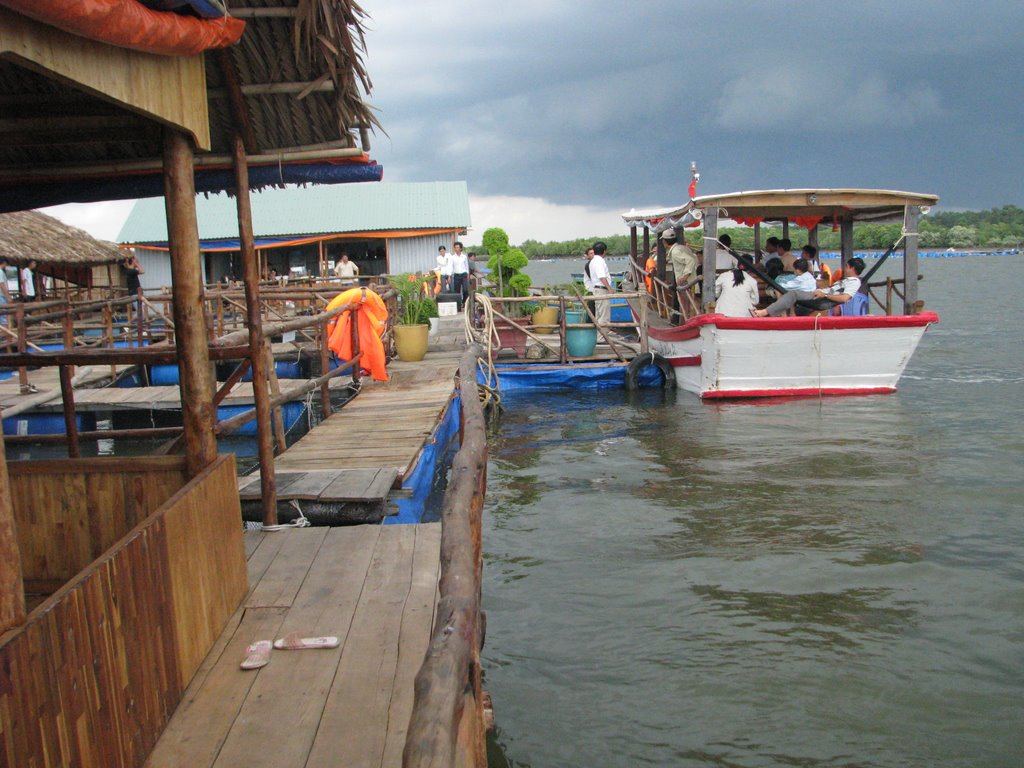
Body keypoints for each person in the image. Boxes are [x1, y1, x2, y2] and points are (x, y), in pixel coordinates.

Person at [752, 257, 862, 317]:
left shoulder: (854, 282)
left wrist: (825, 294)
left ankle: (764, 312)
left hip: (821, 300)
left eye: (847, 266)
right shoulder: (847, 280)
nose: (845, 268)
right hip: (818, 294)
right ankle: (777, 313)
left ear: (852, 268)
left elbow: (844, 298)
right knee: (790, 293)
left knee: (792, 293)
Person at [587, 242, 613, 327]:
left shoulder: (593, 261)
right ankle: (602, 338)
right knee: (604, 316)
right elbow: (602, 277)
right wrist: (609, 288)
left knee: (599, 315)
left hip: (597, 289)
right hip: (601, 289)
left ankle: (599, 337)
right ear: (604, 251)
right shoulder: (599, 261)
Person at [450, 241, 470, 309]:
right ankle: (458, 305)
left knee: (465, 290)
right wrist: (449, 276)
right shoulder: (452, 257)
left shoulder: (464, 257)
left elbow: (466, 266)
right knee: (457, 291)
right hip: (456, 275)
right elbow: (451, 267)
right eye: (455, 247)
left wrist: (468, 274)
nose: (456, 249)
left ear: (461, 248)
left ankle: (465, 302)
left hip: (464, 275)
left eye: (457, 247)